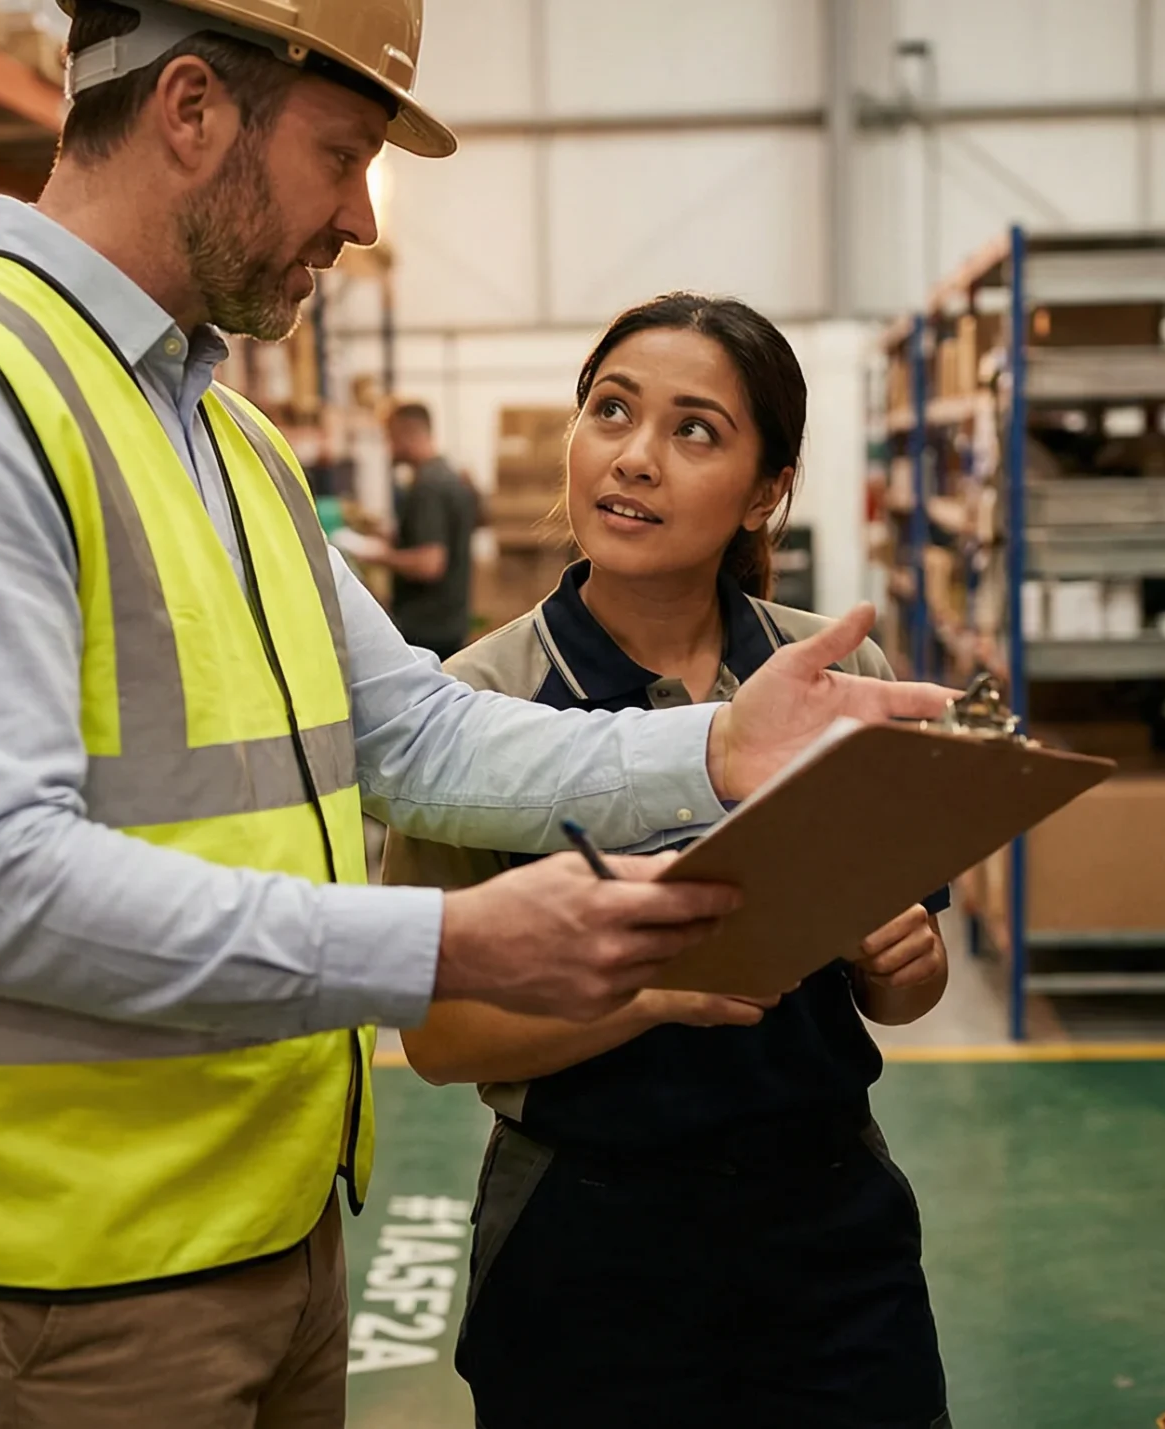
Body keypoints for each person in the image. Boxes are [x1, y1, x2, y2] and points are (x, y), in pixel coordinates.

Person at [0, 2, 954, 1424]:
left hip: (271, 1227)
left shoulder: (224, 437)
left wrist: (713, 744)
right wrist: (448, 942)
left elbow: (420, 740)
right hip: (65, 1280)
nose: (360, 224)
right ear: (192, 111)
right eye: (342, 155)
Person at [385, 294, 953, 1429]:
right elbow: (439, 1039)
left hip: (831, 1225)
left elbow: (904, 991)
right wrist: (651, 995)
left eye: (694, 430)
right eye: (610, 411)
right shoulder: (478, 704)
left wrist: (901, 958)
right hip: (588, 1232)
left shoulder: (829, 671)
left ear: (764, 488)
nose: (634, 458)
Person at [352, 401, 480, 657]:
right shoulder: (449, 476)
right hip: (450, 622)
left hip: (427, 631)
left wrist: (375, 556)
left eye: (389, 437)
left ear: (406, 434)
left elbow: (429, 563)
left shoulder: (427, 487)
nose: (388, 446)